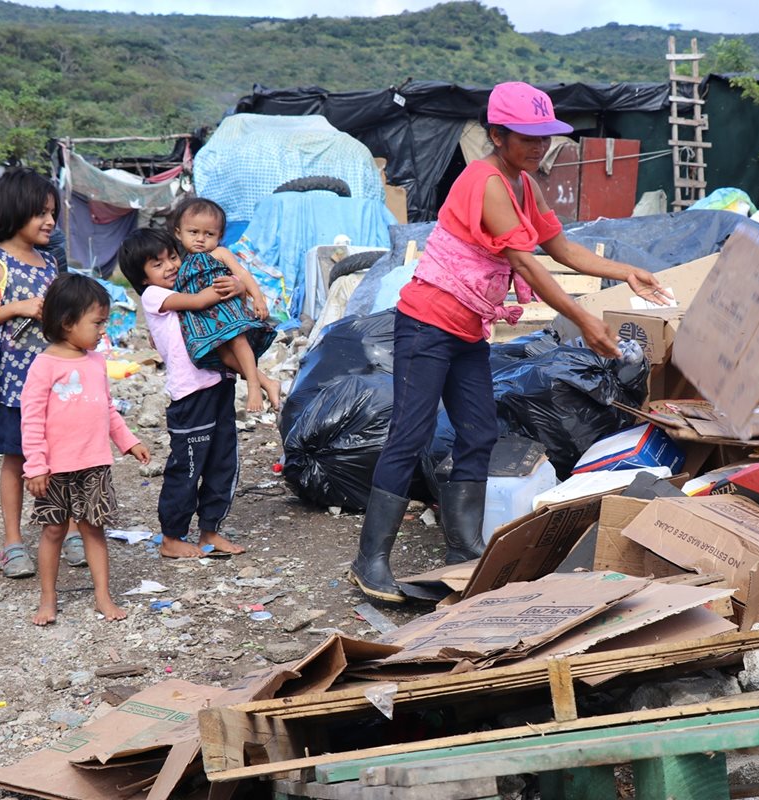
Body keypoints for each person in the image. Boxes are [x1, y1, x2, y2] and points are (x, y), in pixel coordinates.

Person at [350, 82, 674, 603]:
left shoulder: (525, 185)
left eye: (545, 138)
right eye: (528, 138)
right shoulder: (486, 183)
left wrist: (626, 271)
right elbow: (525, 262)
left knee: (478, 432)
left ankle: (463, 548)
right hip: (427, 323)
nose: (539, 148)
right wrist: (585, 320)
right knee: (408, 436)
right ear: (497, 136)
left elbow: (561, 248)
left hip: (467, 329)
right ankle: (370, 562)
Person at [0, 167, 90, 580]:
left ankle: (69, 530)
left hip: (57, 382)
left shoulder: (51, 261)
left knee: (66, 459)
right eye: (42, 213)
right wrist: (16, 307)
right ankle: (13, 543)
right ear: (17, 213)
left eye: (53, 212)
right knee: (18, 459)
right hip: (14, 386)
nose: (51, 221)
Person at [20, 274, 151, 625]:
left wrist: (128, 441)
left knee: (94, 529)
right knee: (53, 531)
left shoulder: (95, 362)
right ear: (67, 323)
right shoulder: (44, 366)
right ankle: (48, 598)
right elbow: (31, 420)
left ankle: (102, 596)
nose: (102, 331)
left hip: (94, 464)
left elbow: (107, 408)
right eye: (97, 323)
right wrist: (35, 466)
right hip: (54, 470)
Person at [118, 228, 248, 559]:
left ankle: (210, 531)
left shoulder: (180, 286)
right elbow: (205, 300)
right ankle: (172, 537)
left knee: (223, 462)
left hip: (219, 382)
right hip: (190, 396)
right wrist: (233, 283)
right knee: (187, 468)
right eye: (157, 264)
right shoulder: (153, 297)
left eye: (173, 257)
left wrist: (240, 285)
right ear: (142, 277)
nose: (170, 266)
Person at [170, 198, 279, 413]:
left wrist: (257, 297)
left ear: (219, 237)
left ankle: (254, 386)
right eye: (193, 232)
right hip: (203, 319)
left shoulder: (219, 253)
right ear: (178, 233)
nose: (200, 239)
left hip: (224, 308)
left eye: (209, 234)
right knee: (225, 356)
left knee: (237, 340)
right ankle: (268, 383)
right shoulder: (179, 265)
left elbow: (242, 274)